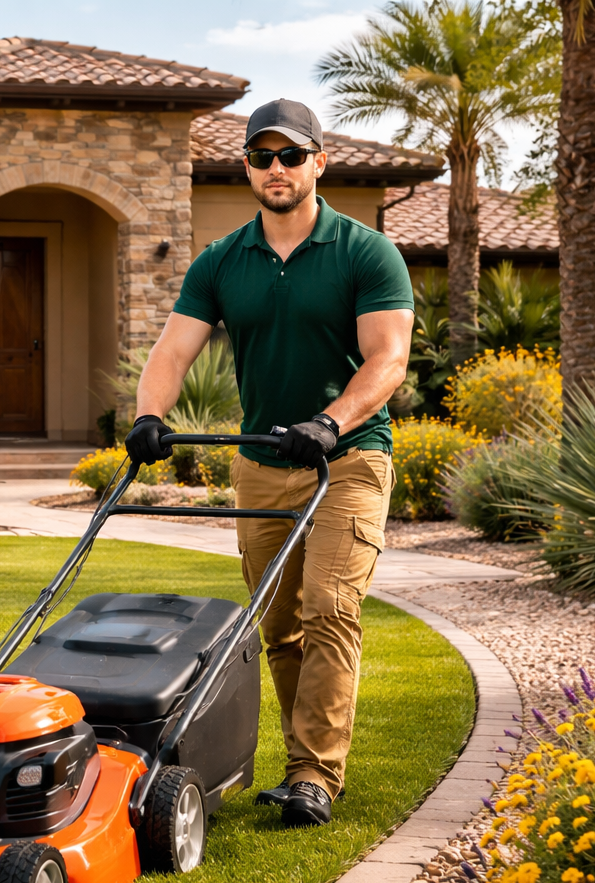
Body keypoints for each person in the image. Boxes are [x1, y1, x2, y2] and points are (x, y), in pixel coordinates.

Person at [124, 98, 413, 827]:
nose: (276, 169)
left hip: (346, 458)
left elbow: (389, 359)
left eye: (290, 155)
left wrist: (330, 420)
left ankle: (315, 773)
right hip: (260, 463)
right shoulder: (223, 261)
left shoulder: (365, 252)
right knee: (276, 624)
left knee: (331, 609)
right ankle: (298, 761)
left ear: (320, 161)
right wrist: (148, 419)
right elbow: (172, 350)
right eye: (262, 157)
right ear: (246, 167)